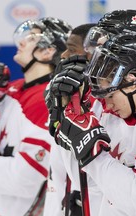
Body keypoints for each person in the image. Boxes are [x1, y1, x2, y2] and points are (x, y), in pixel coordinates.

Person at [0, 17, 72, 215]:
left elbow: (27, 178)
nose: (21, 42)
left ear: (47, 51)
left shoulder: (48, 99)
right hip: (0, 208)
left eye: (31, 38)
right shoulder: (12, 89)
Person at [51, 32, 136, 215]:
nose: (106, 105)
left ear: (132, 79)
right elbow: (85, 183)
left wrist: (92, 152)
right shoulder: (115, 114)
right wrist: (69, 129)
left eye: (110, 95)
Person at [43, 23, 97, 216]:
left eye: (72, 49)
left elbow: (83, 177)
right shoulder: (70, 95)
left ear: (93, 53)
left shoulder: (106, 104)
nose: (64, 55)